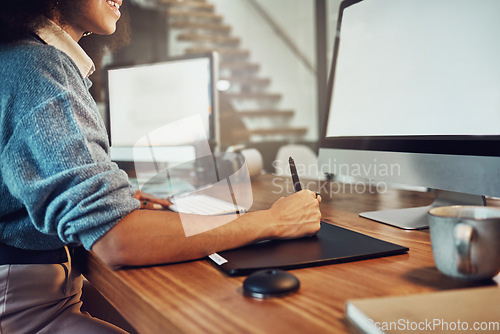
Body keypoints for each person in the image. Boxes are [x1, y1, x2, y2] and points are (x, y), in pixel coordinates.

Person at [0, 0, 322, 333]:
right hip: (27, 313)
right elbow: (118, 241)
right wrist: (274, 220)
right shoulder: (37, 67)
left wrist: (113, 205)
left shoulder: (23, 58)